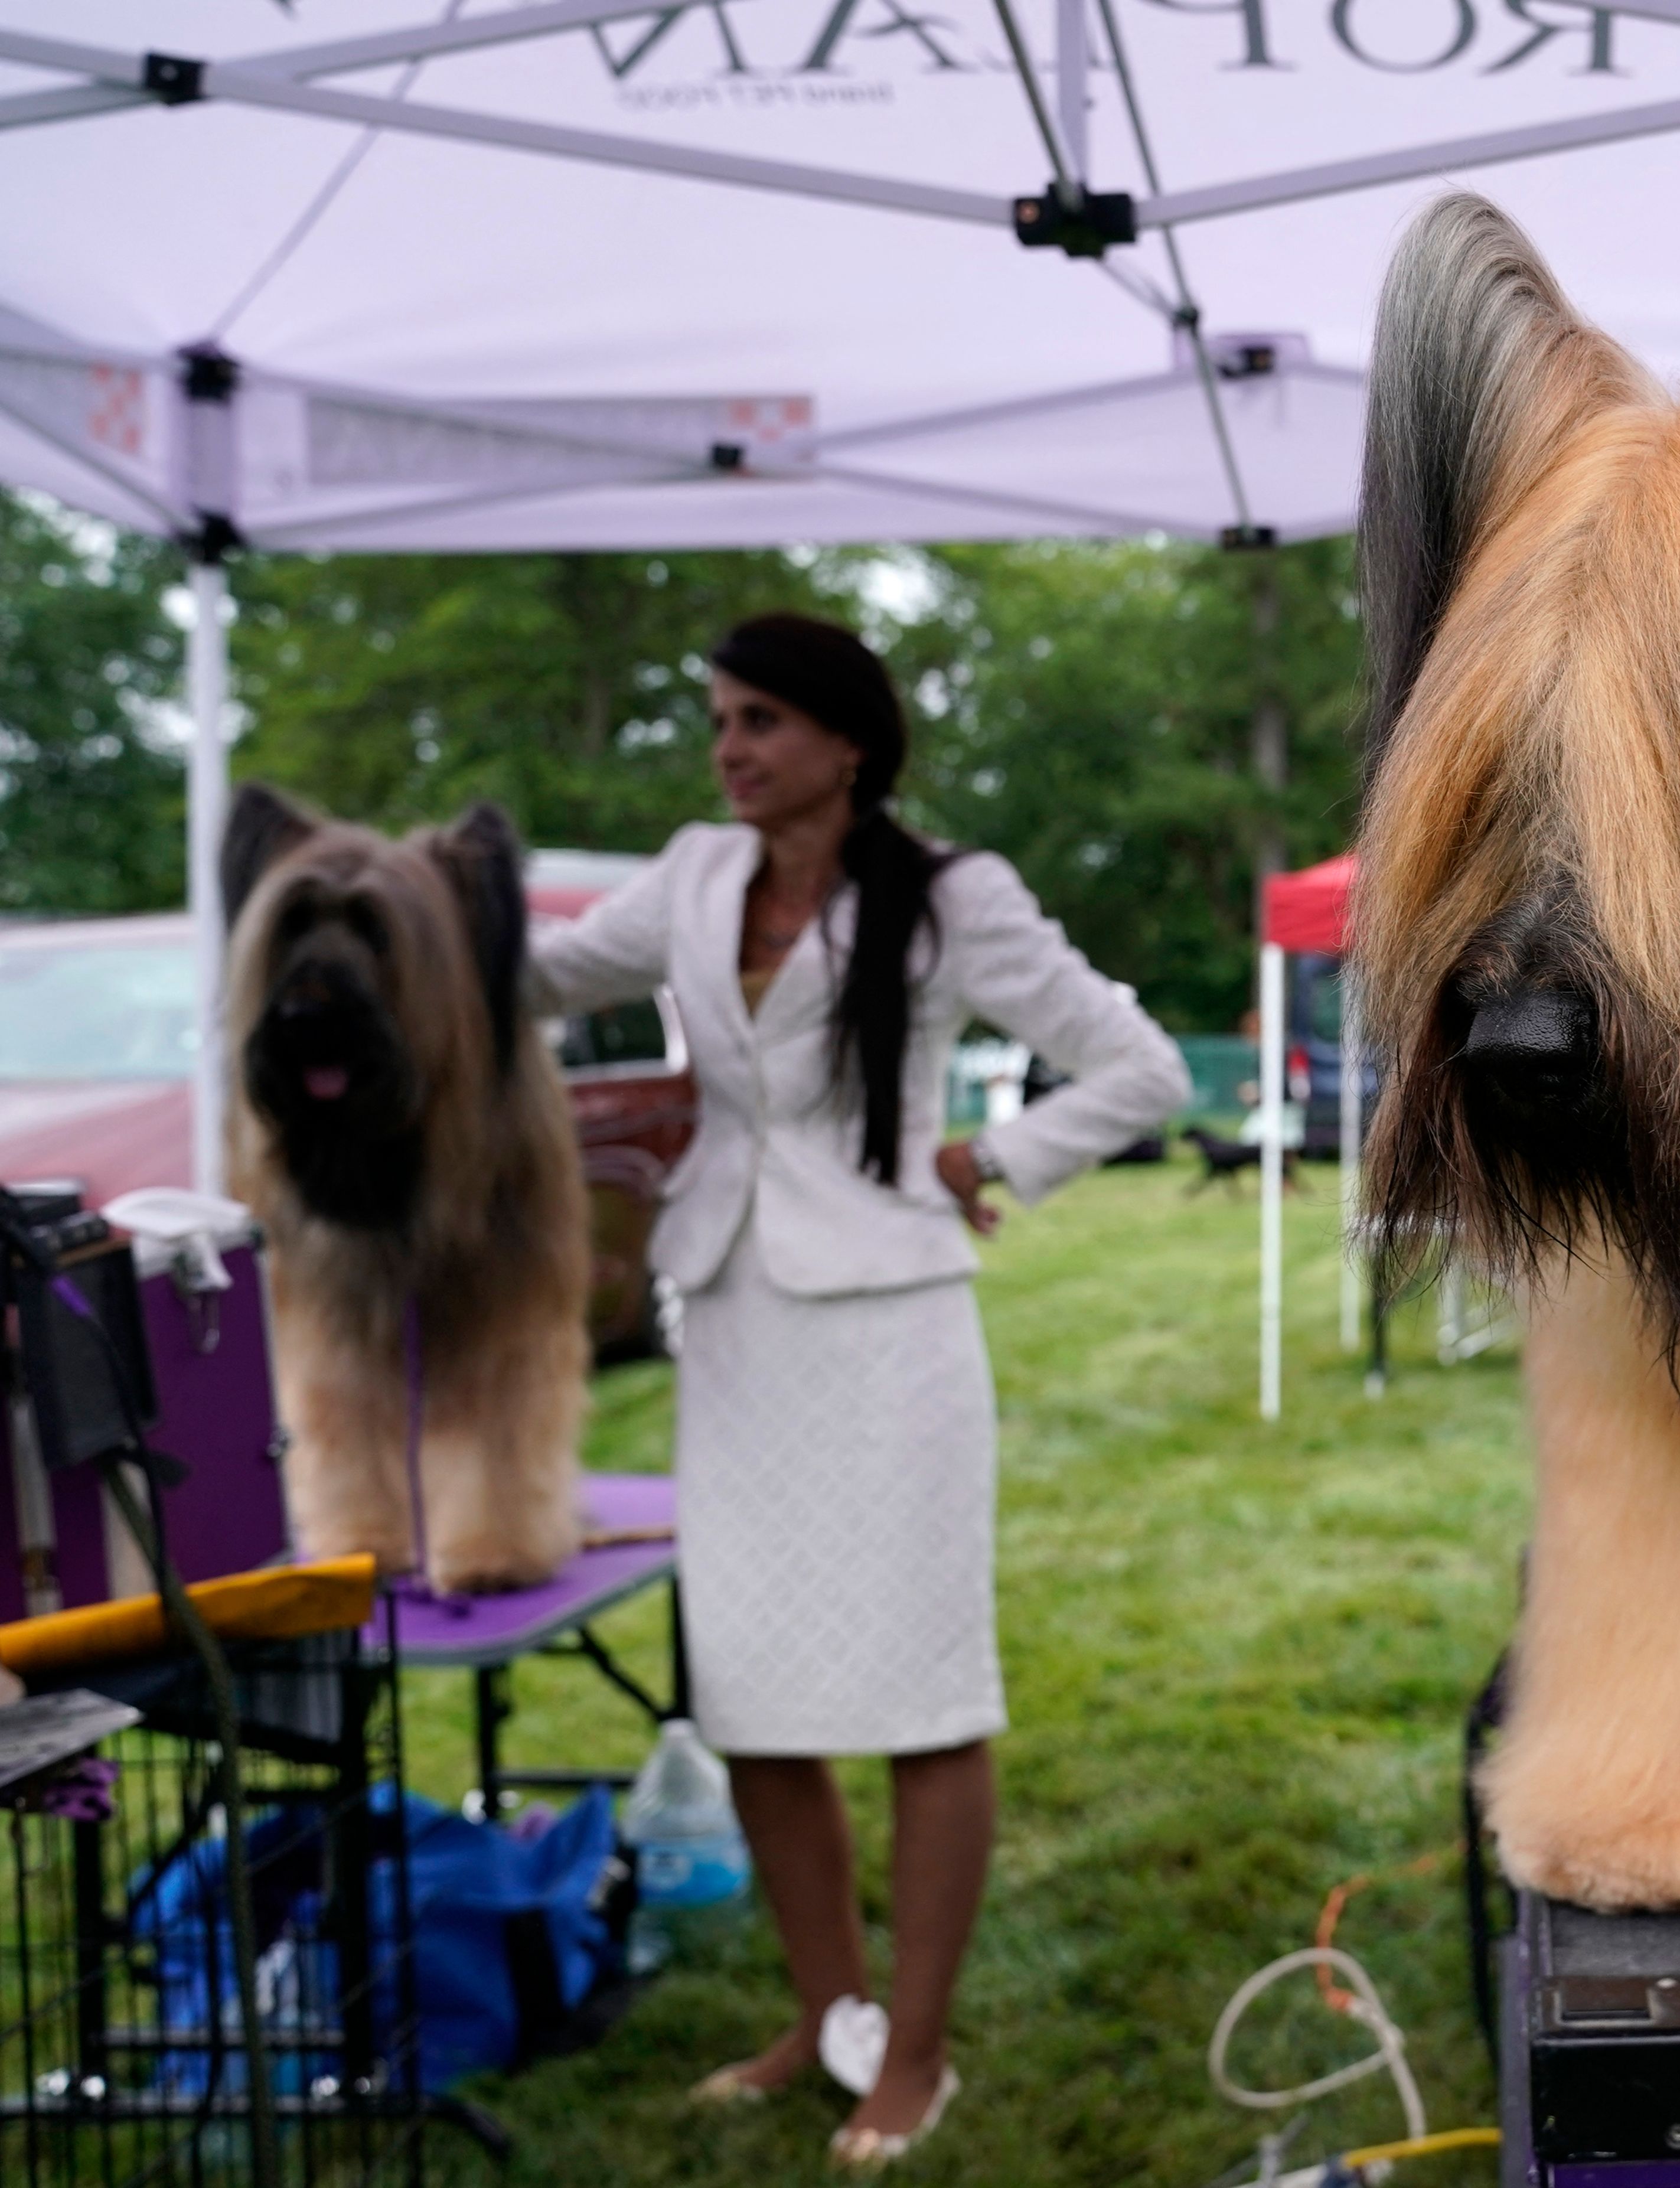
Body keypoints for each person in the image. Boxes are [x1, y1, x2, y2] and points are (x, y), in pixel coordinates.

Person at [531, 614, 1188, 2166]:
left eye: (759, 721)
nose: (728, 749)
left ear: (847, 743)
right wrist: (386, 903)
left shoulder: (954, 898)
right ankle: (825, 2017)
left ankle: (920, 2050)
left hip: (892, 1328)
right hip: (737, 1322)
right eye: (718, 720)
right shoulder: (693, 876)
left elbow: (1138, 1066)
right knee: (755, 1698)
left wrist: (995, 1155)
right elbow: (540, 972)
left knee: (921, 1695)